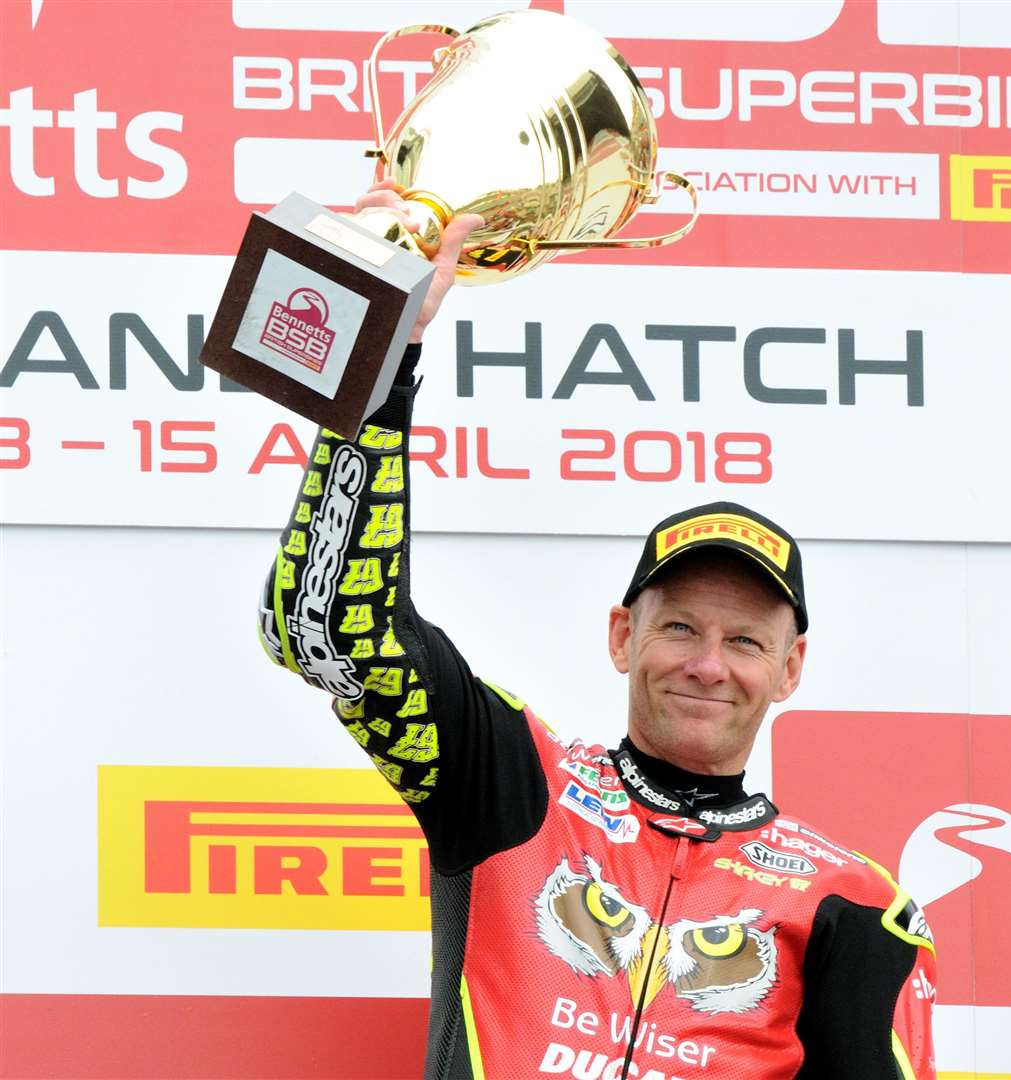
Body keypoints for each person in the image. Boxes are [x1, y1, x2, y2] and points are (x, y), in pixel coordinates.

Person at [258, 187, 937, 1080]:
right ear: (623, 636)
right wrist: (379, 374)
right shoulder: (508, 777)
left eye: (744, 642)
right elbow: (328, 634)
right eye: (680, 626)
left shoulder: (854, 901)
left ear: (790, 668)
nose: (707, 664)